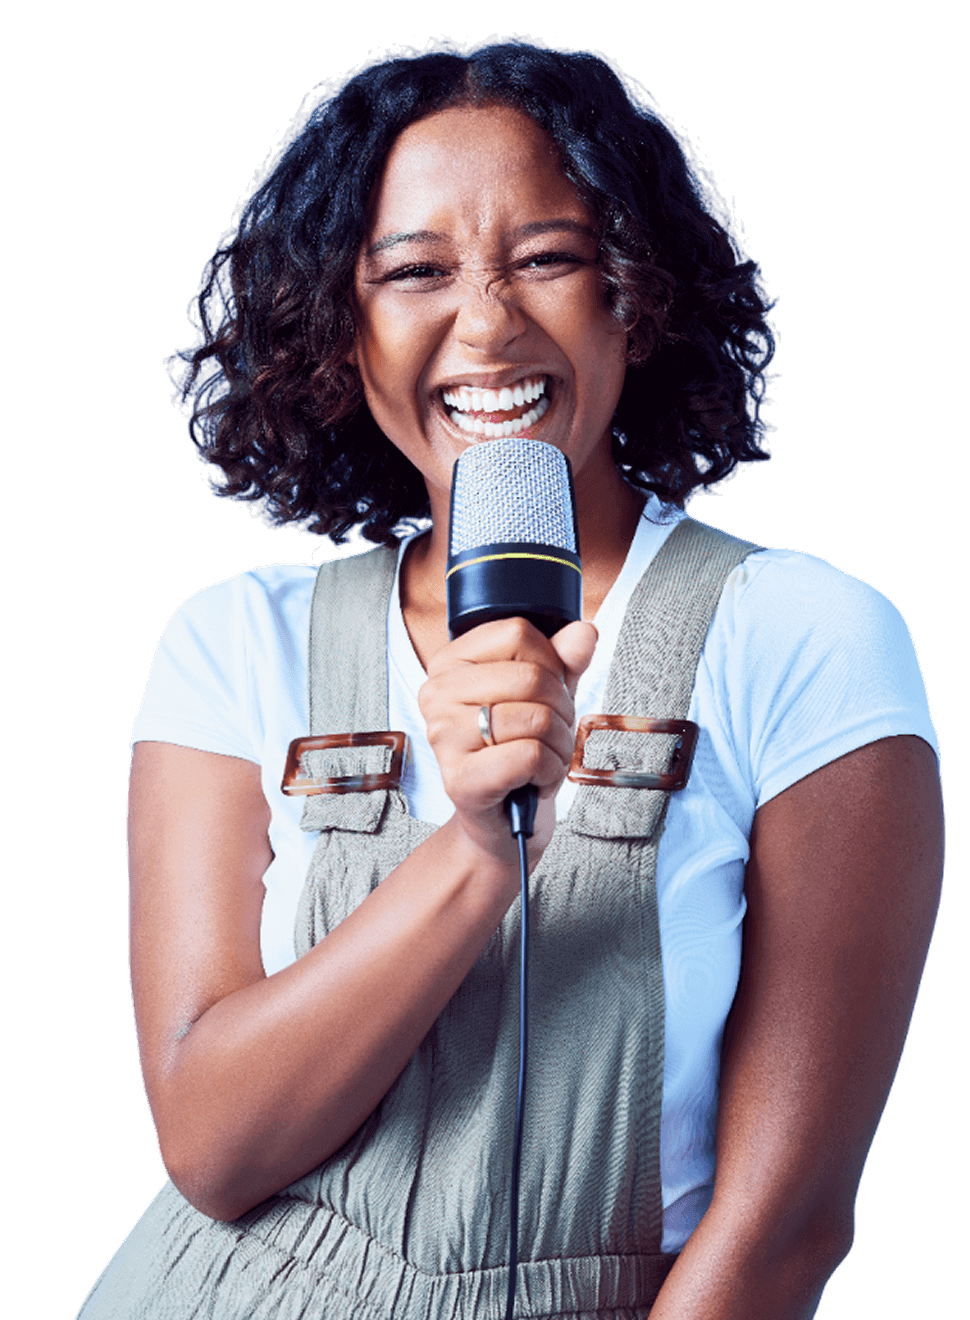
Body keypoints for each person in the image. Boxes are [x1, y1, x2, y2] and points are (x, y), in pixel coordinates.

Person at [78, 39, 943, 1320]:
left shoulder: (802, 633)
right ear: (339, 327)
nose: (485, 323)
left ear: (637, 297)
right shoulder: (236, 640)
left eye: (547, 259)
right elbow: (214, 1147)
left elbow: (783, 1228)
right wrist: (478, 850)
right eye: (414, 272)